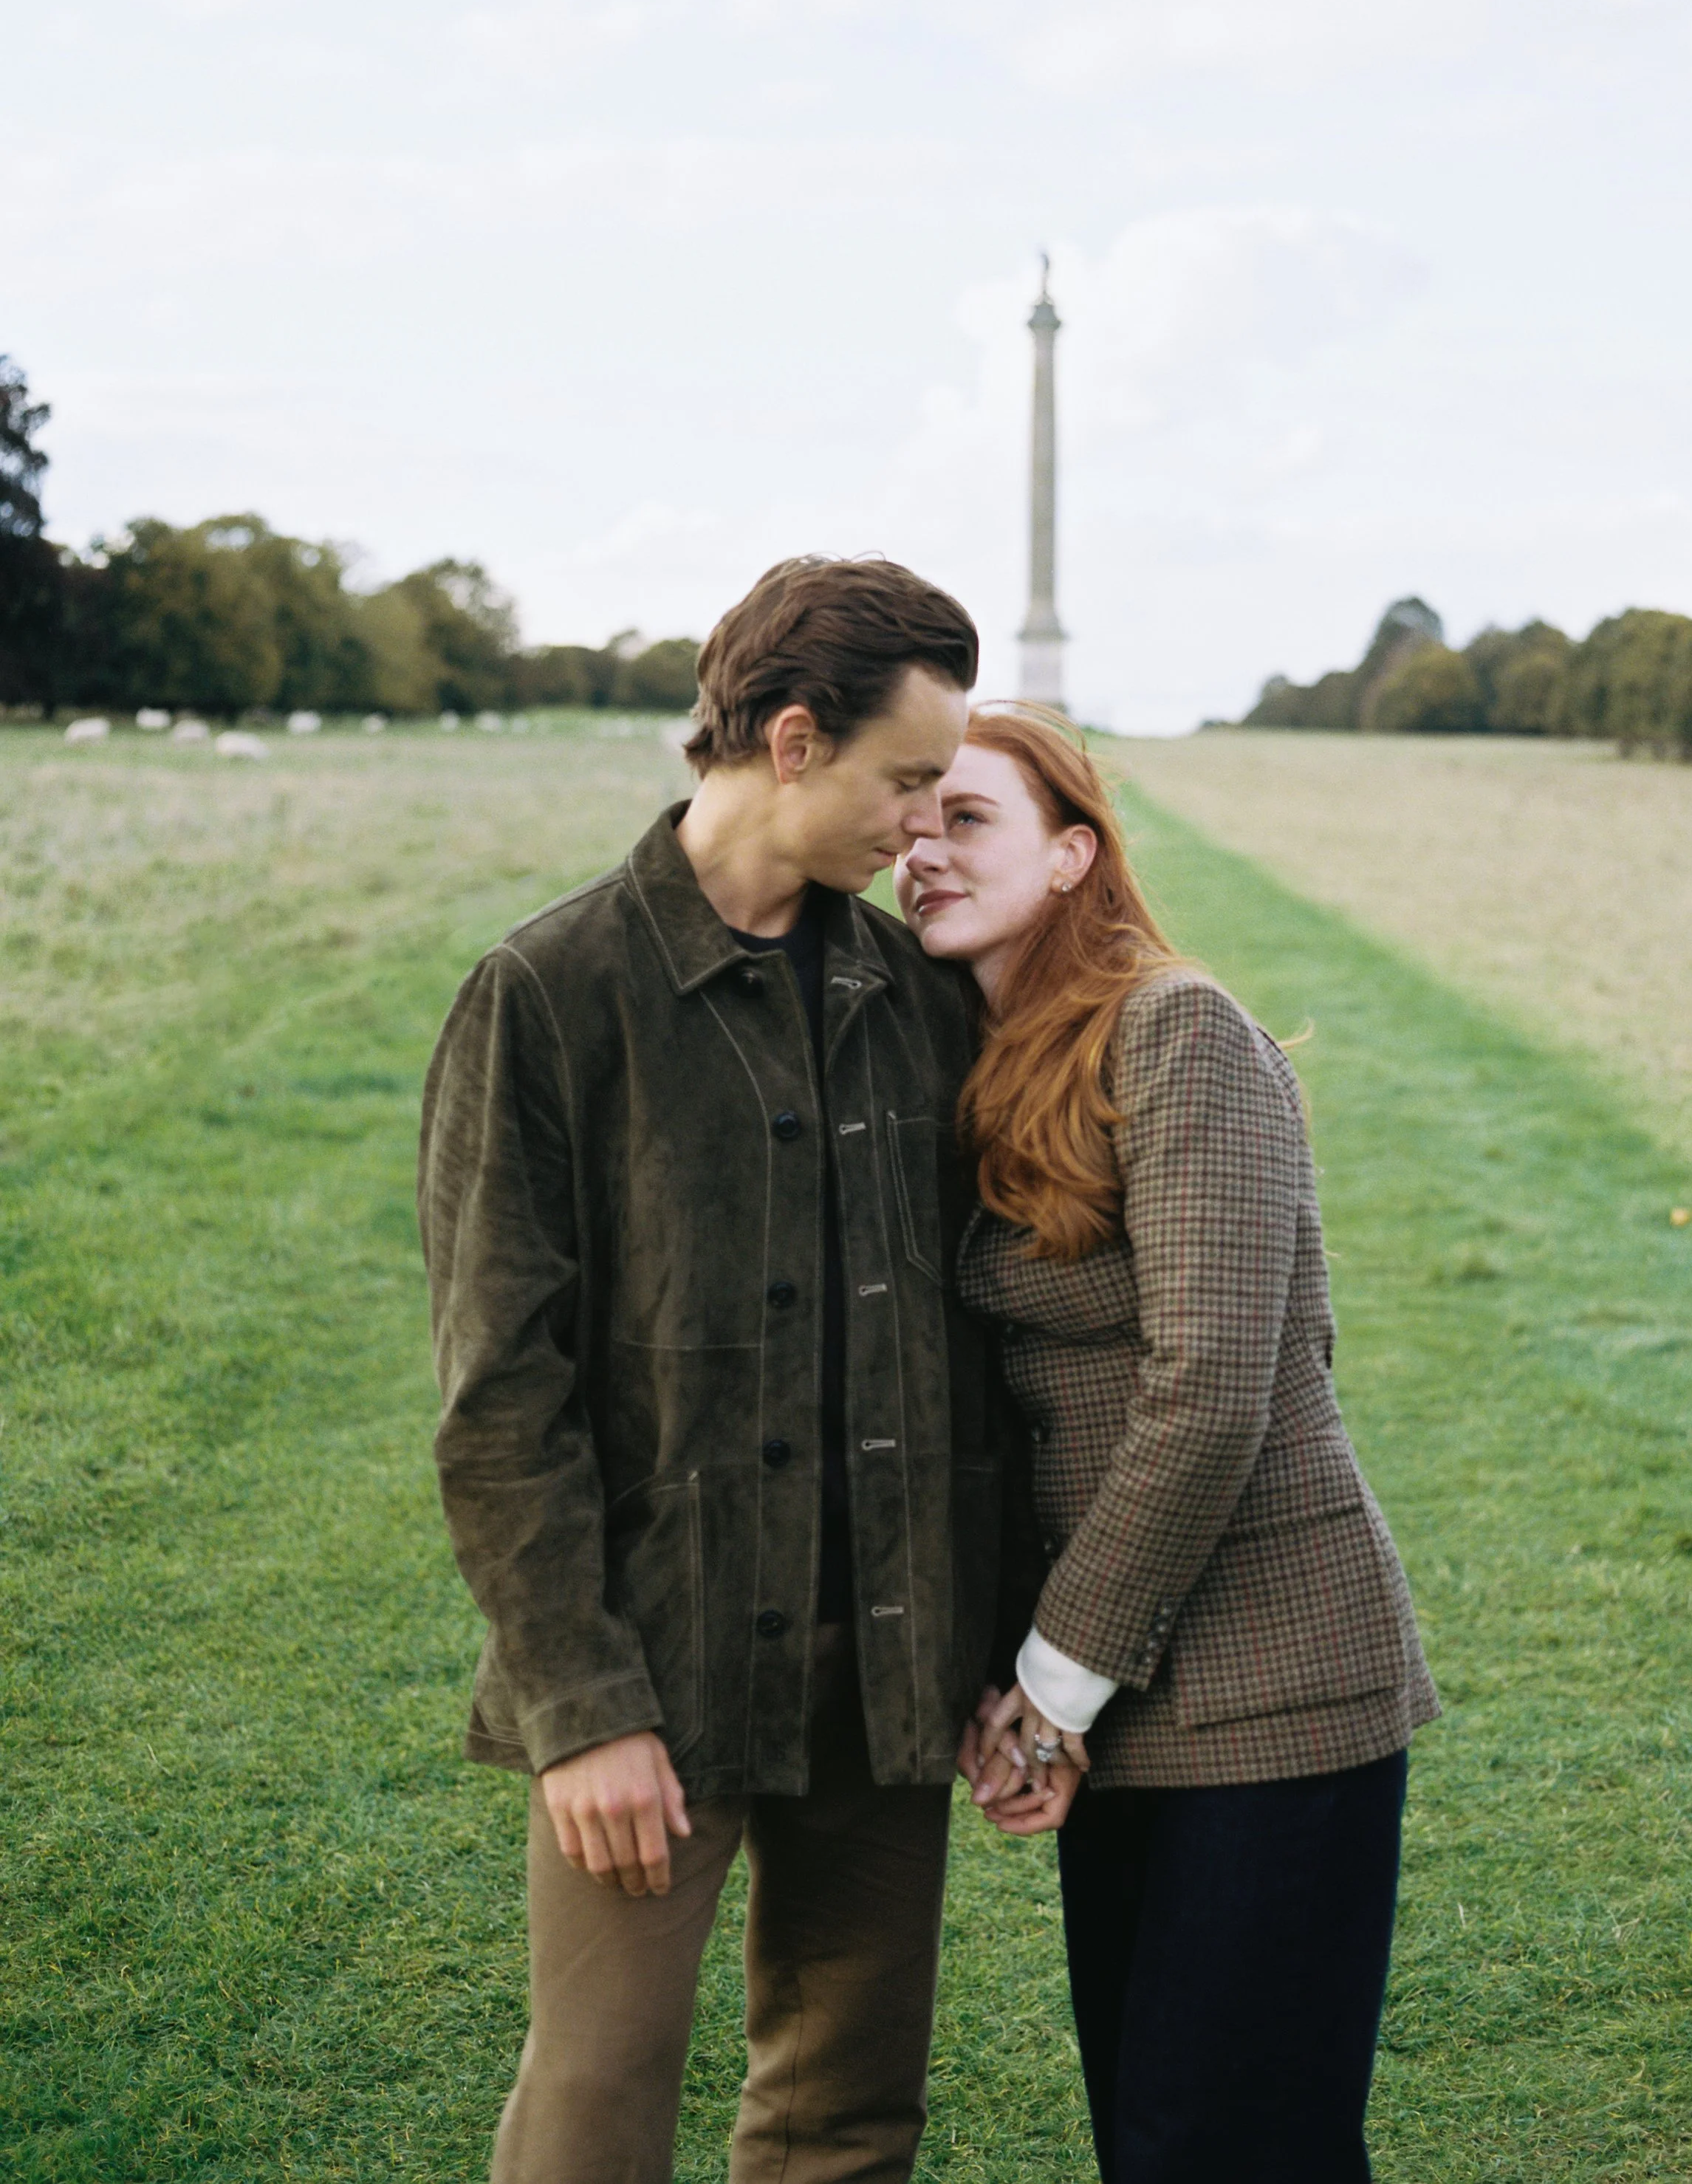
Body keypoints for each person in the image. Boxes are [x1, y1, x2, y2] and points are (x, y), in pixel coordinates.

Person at [420, 557, 1025, 2184]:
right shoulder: (546, 996)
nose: (921, 824)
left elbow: (980, 1352)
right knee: (596, 2103)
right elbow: (498, 1401)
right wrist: (580, 1706)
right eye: (906, 780)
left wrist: (1000, 1640)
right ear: (787, 737)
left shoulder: (918, 1002)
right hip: (650, 1681)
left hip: (887, 1672)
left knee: (847, 2117)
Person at [895, 705, 1439, 2184]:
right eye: (912, 821)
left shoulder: (1174, 1028)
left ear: (1073, 853)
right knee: (1157, 2137)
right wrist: (1009, 1677)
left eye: (967, 819)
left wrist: (1049, 1686)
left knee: (1232, 2145)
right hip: (1124, 1691)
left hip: (1271, 1676)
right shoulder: (985, 1059)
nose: (922, 852)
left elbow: (1212, 1389)